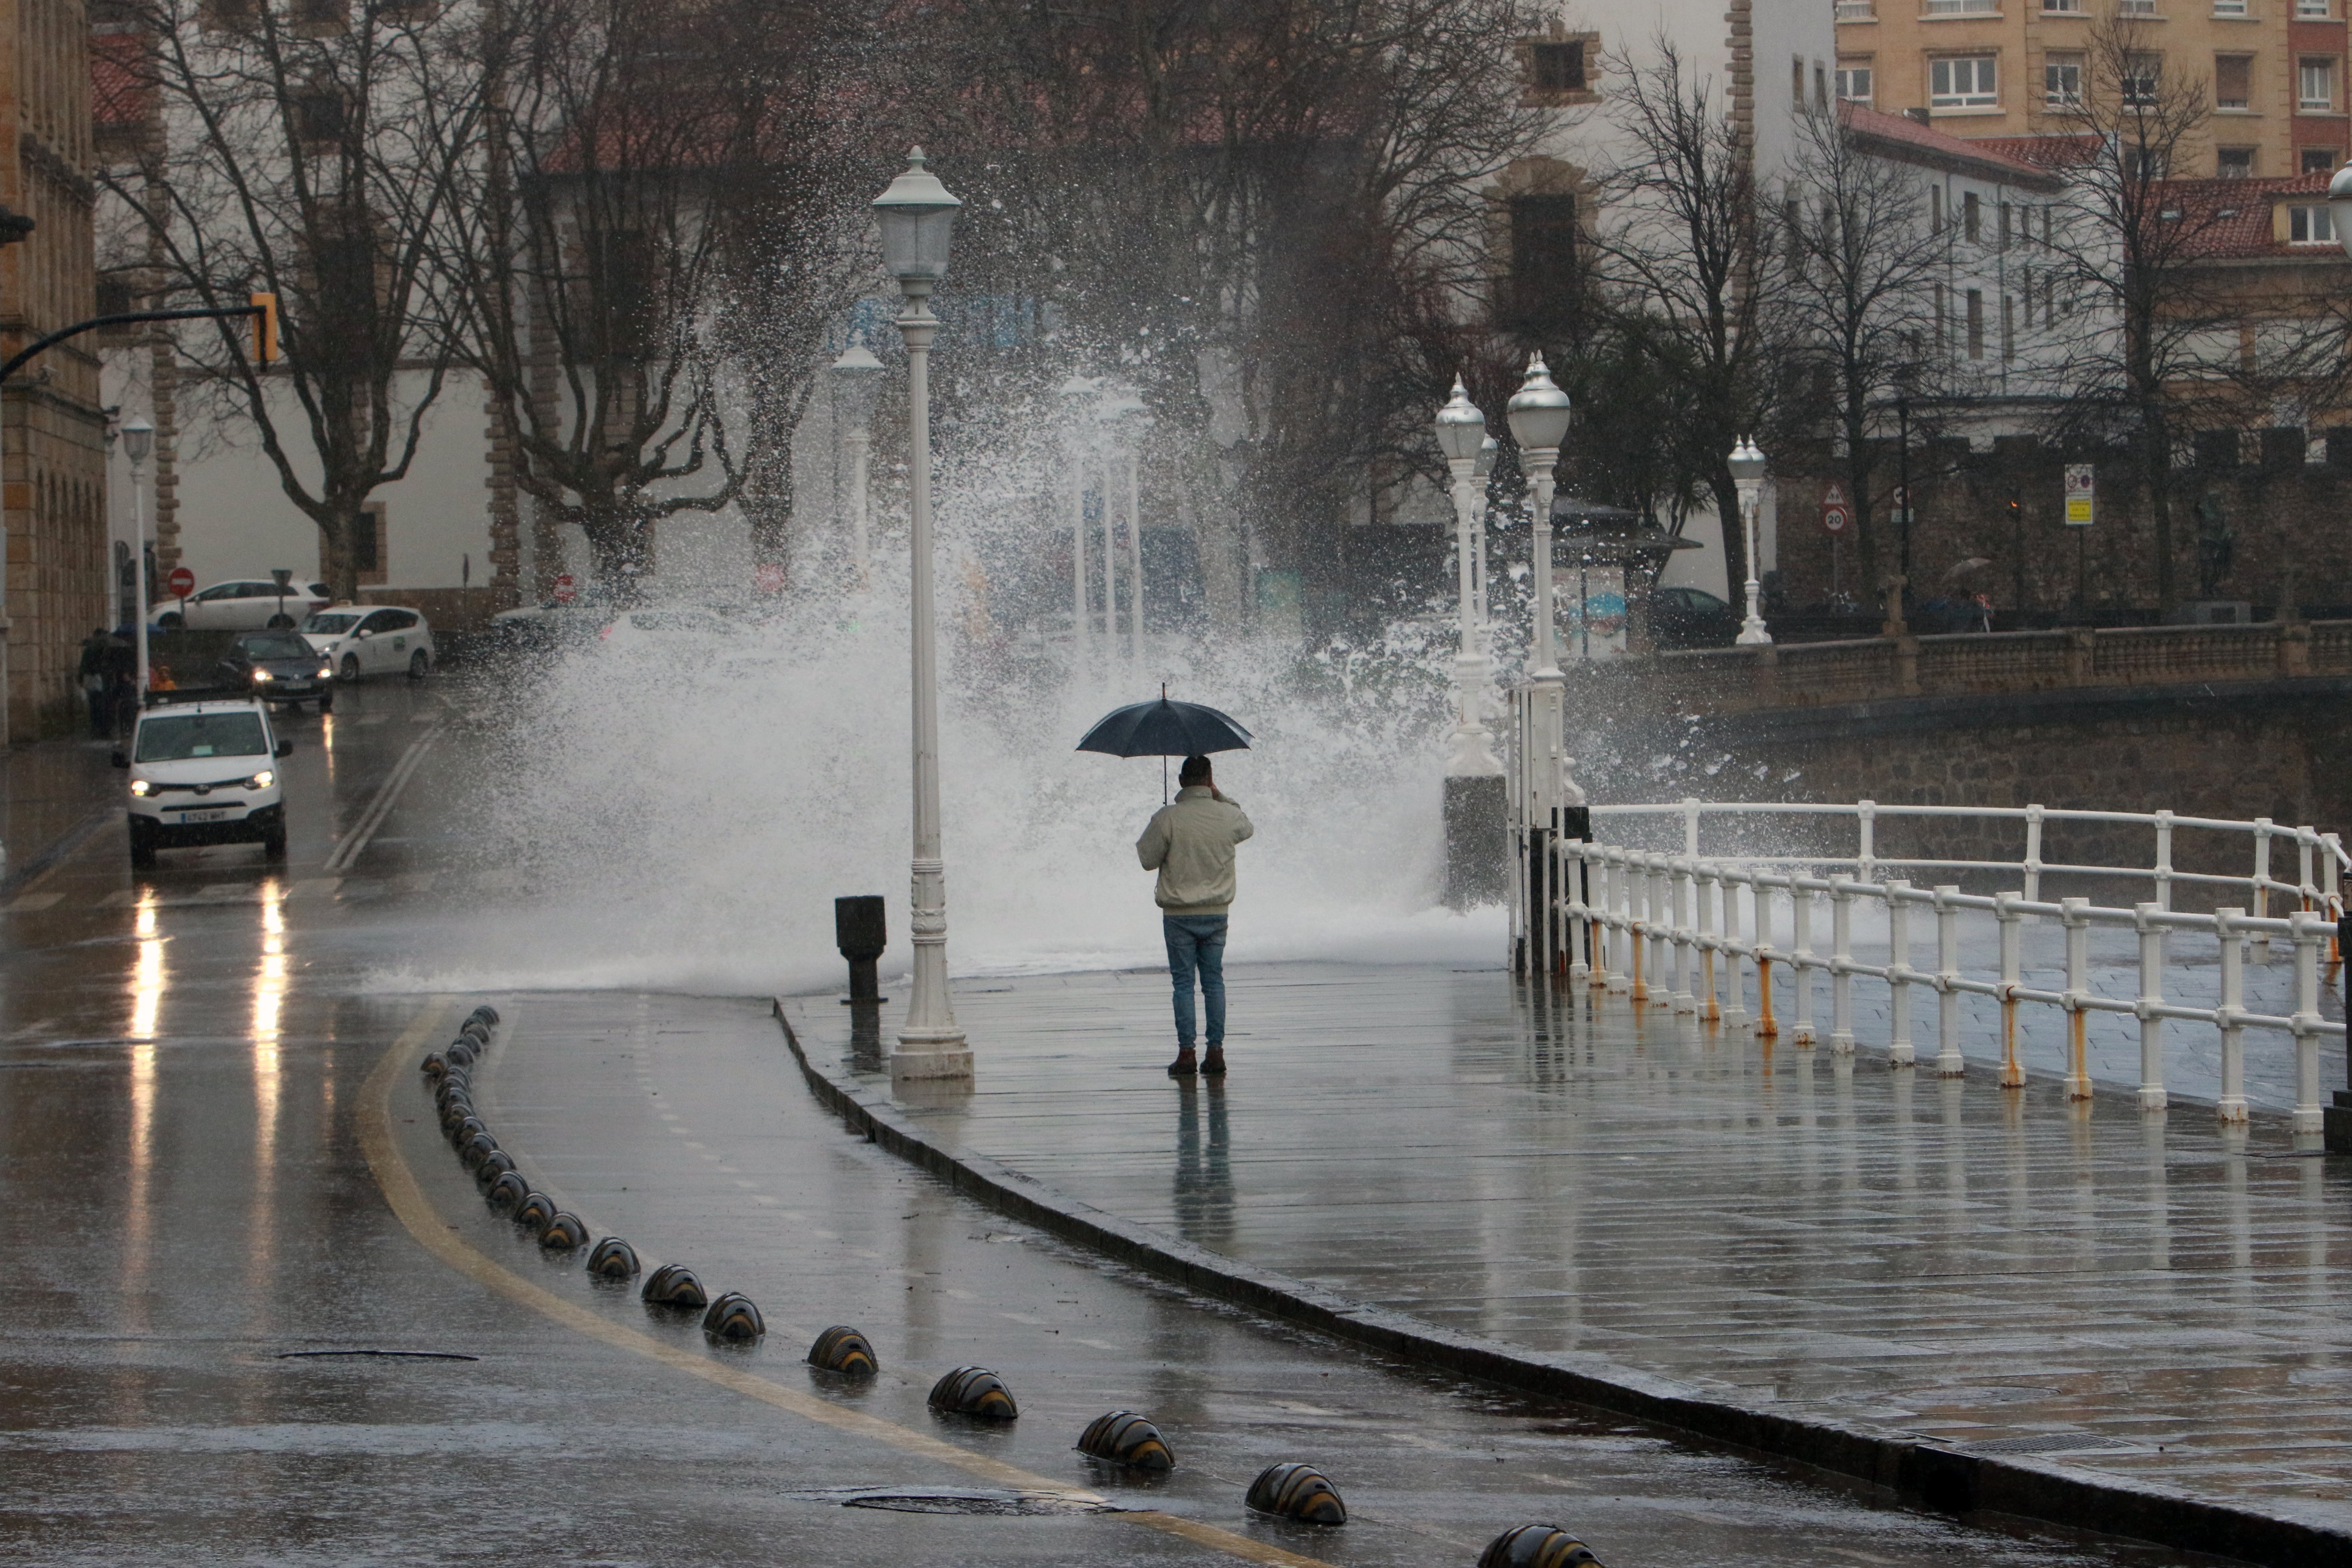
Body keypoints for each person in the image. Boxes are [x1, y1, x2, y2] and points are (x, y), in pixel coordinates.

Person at [1136, 754, 1254, 1078]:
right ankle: (1215, 1052)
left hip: (1178, 915)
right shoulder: (1227, 815)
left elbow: (1147, 860)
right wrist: (1220, 795)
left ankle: (1187, 1053)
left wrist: (1163, 824)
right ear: (1209, 780)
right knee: (1214, 982)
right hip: (1216, 913)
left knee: (1184, 984)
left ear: (1180, 781)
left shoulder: (1167, 817)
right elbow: (1246, 826)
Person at [78, 628, 113, 738]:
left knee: (95, 705)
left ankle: (97, 729)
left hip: (94, 679)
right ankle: (101, 729)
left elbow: (84, 667)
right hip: (97, 679)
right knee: (100, 704)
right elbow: (88, 666)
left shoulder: (92, 649)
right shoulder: (97, 650)